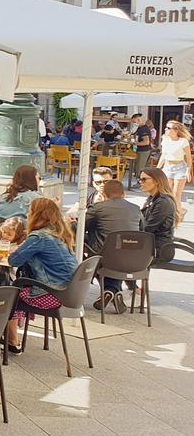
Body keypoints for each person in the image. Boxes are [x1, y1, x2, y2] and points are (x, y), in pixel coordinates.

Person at [97, 167, 176, 313]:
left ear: (157, 181)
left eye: (144, 179)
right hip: (147, 245)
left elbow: (147, 229)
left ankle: (113, 290)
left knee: (117, 253)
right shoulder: (153, 199)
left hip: (159, 249)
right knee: (117, 251)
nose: (140, 182)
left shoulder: (163, 202)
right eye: (140, 179)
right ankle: (119, 291)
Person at [6, 198, 77, 349]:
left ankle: (12, 340)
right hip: (71, 295)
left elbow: (14, 261)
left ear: (37, 215)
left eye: (30, 211)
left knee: (7, 294)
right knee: (17, 290)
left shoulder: (39, 237)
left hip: (52, 294)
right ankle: (11, 335)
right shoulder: (61, 234)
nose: (27, 214)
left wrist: (18, 249)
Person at [84, 179, 142, 255]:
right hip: (131, 253)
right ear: (123, 194)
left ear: (104, 194)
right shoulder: (136, 208)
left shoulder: (97, 208)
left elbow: (83, 227)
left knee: (74, 228)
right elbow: (142, 229)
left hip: (104, 254)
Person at [159, 120, 192, 218]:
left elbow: (189, 158)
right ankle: (171, 212)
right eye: (166, 127)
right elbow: (163, 155)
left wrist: (188, 170)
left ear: (176, 130)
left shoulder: (183, 141)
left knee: (176, 194)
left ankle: (178, 214)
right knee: (167, 193)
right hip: (167, 167)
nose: (165, 129)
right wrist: (157, 168)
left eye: (168, 128)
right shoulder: (165, 140)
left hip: (180, 167)